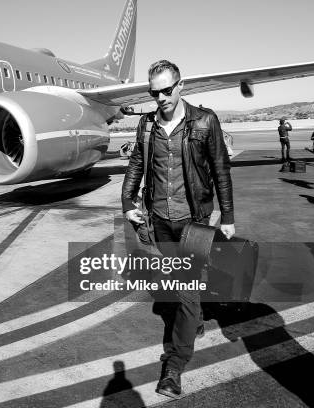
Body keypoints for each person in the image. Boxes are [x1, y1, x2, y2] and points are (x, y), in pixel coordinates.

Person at [121, 60, 235, 399]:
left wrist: (227, 216)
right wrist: (127, 203)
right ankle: (195, 318)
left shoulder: (204, 120)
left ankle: (174, 366)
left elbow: (220, 171)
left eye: (167, 90)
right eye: (154, 92)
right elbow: (136, 168)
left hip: (194, 222)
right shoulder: (146, 126)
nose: (161, 97)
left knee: (185, 290)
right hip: (160, 221)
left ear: (181, 85)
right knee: (176, 284)